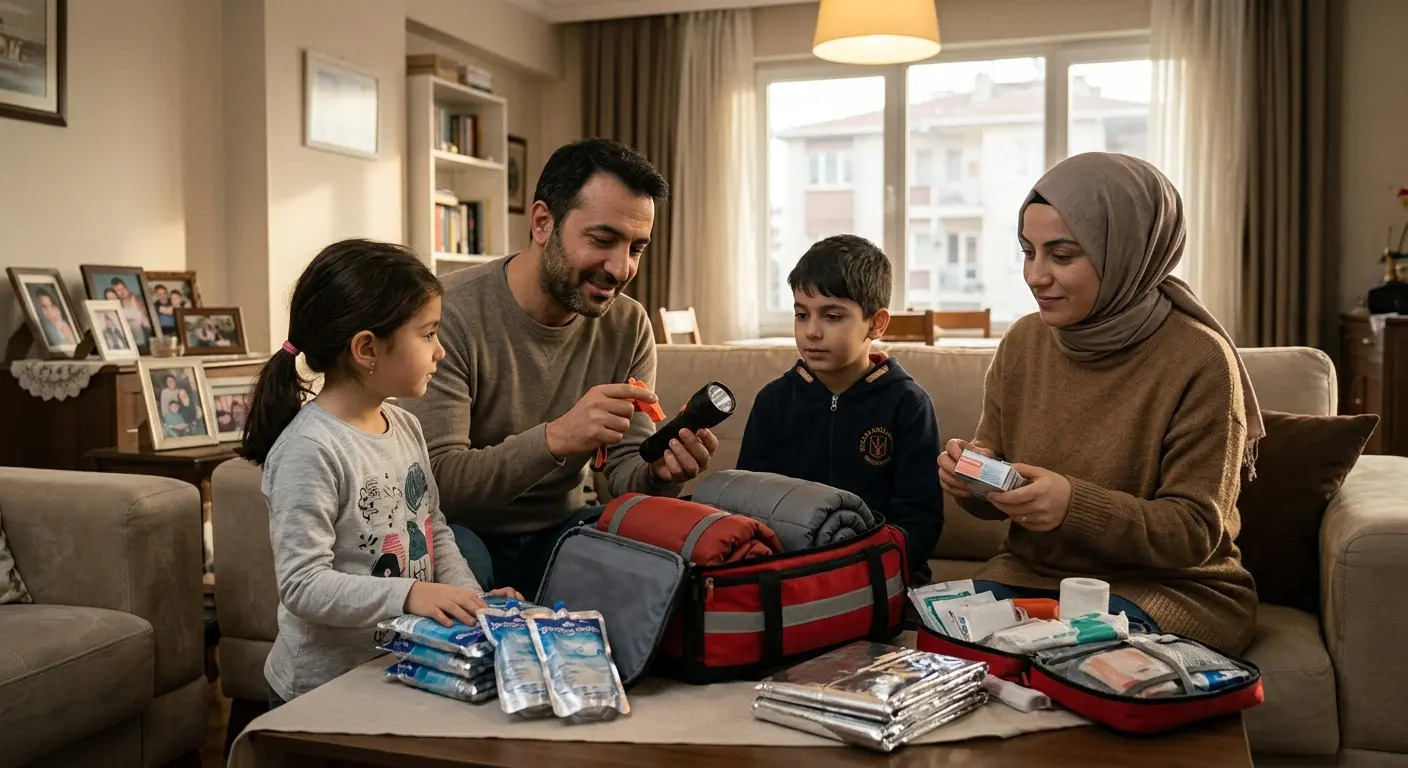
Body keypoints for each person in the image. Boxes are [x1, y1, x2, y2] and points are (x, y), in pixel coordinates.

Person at [936, 152, 1262, 653]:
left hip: (1169, 588)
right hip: (1032, 574)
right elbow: (997, 471)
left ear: (1126, 252)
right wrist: (974, 480)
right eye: (1028, 252)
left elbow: (1194, 532)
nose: (1035, 276)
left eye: (1061, 255)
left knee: (1077, 661)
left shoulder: (1200, 358)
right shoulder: (1022, 342)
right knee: (939, 645)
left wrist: (1073, 506)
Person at [401, 138, 720, 599]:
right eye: (603, 240)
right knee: (457, 552)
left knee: (651, 549)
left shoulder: (629, 325)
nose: (621, 268)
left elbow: (623, 476)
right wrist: (556, 439)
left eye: (636, 248)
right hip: (460, 531)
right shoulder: (447, 313)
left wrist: (660, 474)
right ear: (542, 223)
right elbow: (438, 482)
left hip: (563, 531)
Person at [241, 238, 521, 708]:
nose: (441, 352)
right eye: (428, 334)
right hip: (321, 692)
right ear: (367, 348)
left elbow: (433, 527)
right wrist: (411, 594)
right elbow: (302, 585)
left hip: (394, 668)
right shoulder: (309, 449)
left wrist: (471, 602)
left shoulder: (406, 426)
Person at [735, 235, 942, 583]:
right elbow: (747, 506)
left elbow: (920, 521)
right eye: (802, 315)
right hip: (789, 580)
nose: (812, 332)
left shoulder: (908, 404)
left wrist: (860, 573)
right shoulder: (774, 401)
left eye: (832, 316)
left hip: (882, 581)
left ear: (876, 323)